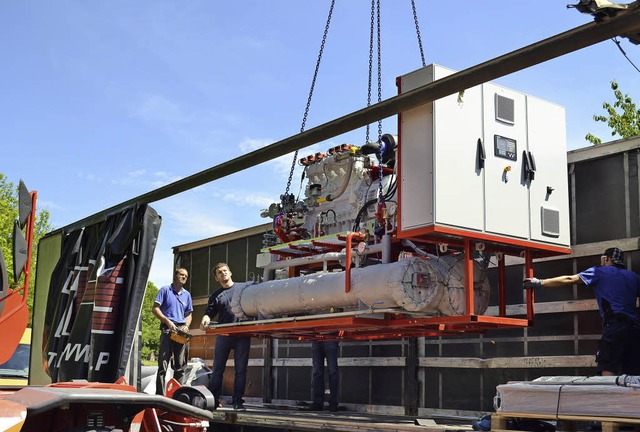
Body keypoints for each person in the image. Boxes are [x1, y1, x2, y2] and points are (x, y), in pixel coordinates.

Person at [523, 247, 640, 376]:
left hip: (615, 326)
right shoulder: (634, 277)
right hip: (635, 328)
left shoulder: (599, 272)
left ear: (606, 259)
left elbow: (570, 279)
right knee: (633, 375)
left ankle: (608, 395)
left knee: (607, 366)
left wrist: (540, 282)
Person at [200, 263, 250, 411]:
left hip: (242, 335)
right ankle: (214, 401)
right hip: (223, 335)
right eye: (219, 273)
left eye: (225, 271)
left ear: (230, 272)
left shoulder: (243, 289)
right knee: (217, 370)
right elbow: (209, 312)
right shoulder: (216, 296)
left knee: (241, 370)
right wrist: (205, 318)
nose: (223, 274)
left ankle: (237, 402)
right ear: (216, 278)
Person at [152, 267, 193, 395]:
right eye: (182, 275)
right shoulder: (165, 290)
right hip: (167, 329)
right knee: (163, 365)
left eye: (186, 276)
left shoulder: (187, 295)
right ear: (175, 276)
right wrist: (167, 321)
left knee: (180, 366)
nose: (184, 277)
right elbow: (155, 308)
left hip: (181, 331)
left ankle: (177, 395)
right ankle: (160, 395)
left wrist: (186, 325)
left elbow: (189, 313)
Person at [309, 340, 340, 412]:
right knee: (317, 372)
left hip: (330, 338)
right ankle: (318, 402)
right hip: (316, 339)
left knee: (332, 371)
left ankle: (333, 402)